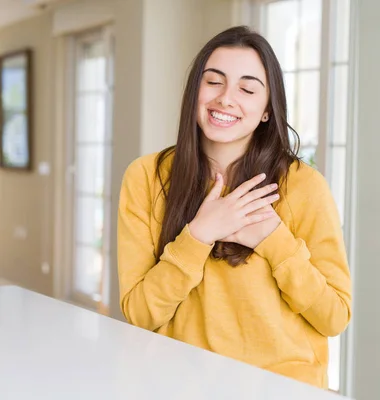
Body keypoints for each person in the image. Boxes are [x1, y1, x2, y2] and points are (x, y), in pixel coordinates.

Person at [117, 25, 352, 389]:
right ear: (194, 91)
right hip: (179, 386)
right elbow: (139, 314)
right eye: (214, 82)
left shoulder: (305, 186)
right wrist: (198, 235)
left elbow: (334, 317)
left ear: (266, 111)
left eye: (247, 88)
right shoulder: (147, 177)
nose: (226, 99)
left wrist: (274, 239)